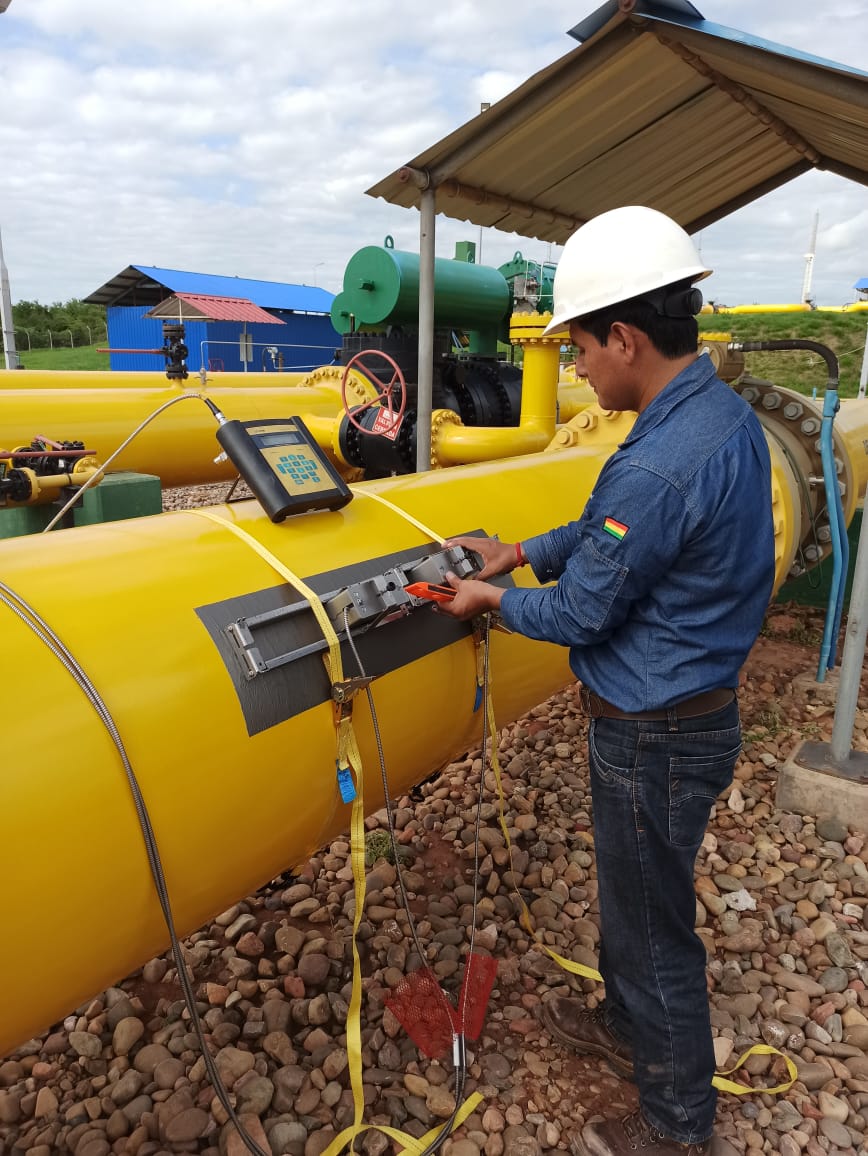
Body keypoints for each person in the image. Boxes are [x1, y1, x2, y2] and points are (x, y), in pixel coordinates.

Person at [439, 206, 776, 1156]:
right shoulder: (713, 414)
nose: (578, 369)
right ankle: (628, 1025)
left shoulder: (660, 462)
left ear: (624, 338)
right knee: (635, 898)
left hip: (654, 731)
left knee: (655, 925)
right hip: (686, 714)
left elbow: (584, 613)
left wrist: (490, 599)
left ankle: (677, 1124)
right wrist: (517, 552)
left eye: (582, 349)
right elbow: (606, 537)